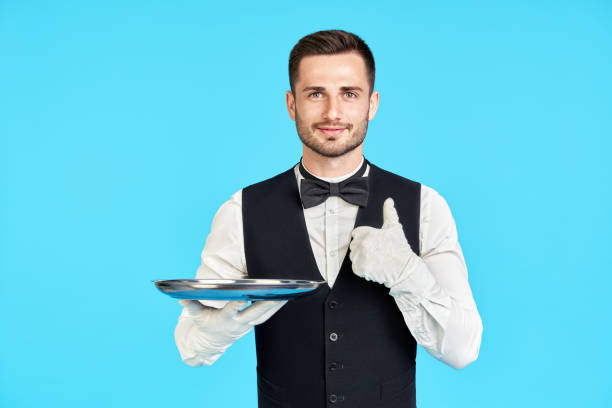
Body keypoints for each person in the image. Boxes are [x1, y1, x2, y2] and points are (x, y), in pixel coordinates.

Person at [174, 29, 483, 408]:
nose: (332, 113)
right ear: (292, 105)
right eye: (315, 93)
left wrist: (406, 273)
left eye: (349, 94)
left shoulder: (426, 206)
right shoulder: (240, 211)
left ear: (372, 104)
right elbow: (191, 347)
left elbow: (463, 349)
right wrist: (222, 326)